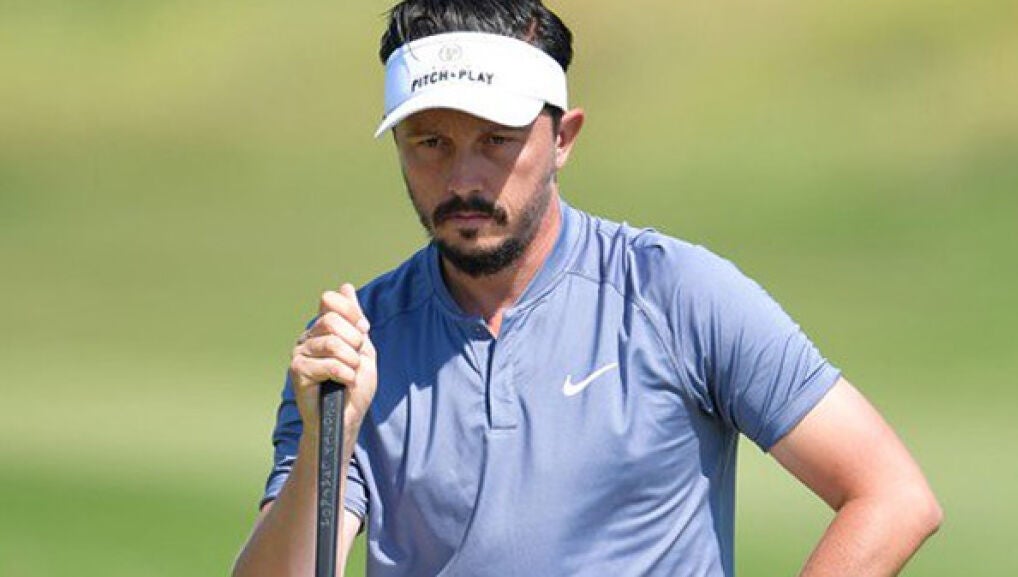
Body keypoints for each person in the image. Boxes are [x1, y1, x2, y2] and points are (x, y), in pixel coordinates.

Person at [232, 1, 942, 576]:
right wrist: (328, 439)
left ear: (564, 138)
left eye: (496, 139)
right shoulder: (357, 344)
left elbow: (890, 495)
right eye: (430, 142)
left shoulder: (674, 295)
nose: (463, 180)